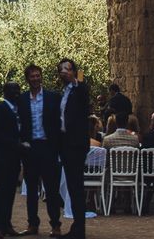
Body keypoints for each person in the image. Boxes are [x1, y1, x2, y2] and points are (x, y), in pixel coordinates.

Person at [17, 64, 62, 237]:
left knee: (51, 190)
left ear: (41, 76)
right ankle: (32, 224)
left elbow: (59, 124)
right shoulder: (22, 100)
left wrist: (57, 147)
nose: (35, 79)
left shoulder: (52, 98)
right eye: (32, 76)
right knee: (31, 190)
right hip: (30, 149)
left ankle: (55, 225)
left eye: (38, 75)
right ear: (27, 79)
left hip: (48, 147)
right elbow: (19, 124)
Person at [58, 58, 89, 239]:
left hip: (75, 145)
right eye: (62, 69)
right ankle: (78, 227)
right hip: (66, 144)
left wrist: (76, 81)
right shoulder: (65, 92)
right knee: (72, 186)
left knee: (76, 186)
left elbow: (83, 98)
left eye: (68, 69)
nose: (64, 72)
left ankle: (80, 229)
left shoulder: (79, 89)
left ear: (74, 72)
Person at [0, 82, 23, 239]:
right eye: (13, 90)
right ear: (5, 92)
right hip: (0, 157)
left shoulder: (18, 109)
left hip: (14, 157)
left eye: (18, 89)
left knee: (10, 191)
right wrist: (15, 143)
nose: (17, 92)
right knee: (1, 191)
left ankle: (7, 224)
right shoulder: (0, 108)